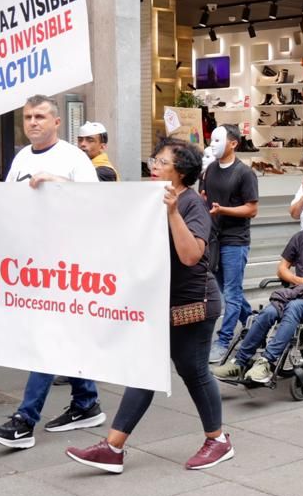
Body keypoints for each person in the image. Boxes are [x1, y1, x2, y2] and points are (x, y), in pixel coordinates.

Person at [65, 138, 233, 473]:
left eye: (160, 162)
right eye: (153, 161)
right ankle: (113, 447)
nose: (152, 167)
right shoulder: (149, 199)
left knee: (194, 371)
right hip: (161, 304)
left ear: (181, 171)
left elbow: (191, 255)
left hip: (194, 305)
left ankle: (217, 440)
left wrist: (172, 213)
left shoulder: (189, 204)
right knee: (145, 369)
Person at [0, 95, 104, 449]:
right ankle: (86, 402)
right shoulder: (20, 157)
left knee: (47, 340)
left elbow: (96, 206)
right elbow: (12, 205)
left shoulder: (74, 158)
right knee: (61, 336)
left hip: (67, 265)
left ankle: (25, 419)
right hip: (33, 264)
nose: (32, 122)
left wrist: (60, 184)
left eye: (40, 117)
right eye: (28, 117)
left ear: (56, 123)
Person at [216, 193, 303, 385]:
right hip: (294, 293)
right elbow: (281, 269)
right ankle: (239, 362)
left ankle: (266, 362)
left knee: (294, 308)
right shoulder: (300, 238)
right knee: (268, 312)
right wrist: (297, 279)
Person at [200, 125, 260, 362]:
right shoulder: (210, 170)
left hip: (235, 241)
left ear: (233, 143)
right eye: (211, 140)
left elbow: (252, 209)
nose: (213, 144)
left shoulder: (245, 173)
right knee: (228, 292)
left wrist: (223, 209)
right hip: (214, 240)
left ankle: (223, 341)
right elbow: (204, 199)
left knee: (231, 294)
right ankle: (256, 327)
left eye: (218, 140)